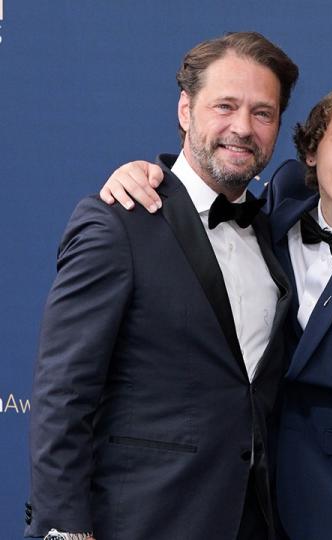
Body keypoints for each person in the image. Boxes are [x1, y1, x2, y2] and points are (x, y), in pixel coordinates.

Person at [99, 82, 332, 539]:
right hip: (232, 504)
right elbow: (196, 200)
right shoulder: (270, 214)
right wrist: (137, 174)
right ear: (312, 151)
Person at [27, 32, 299, 540]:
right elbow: (64, 394)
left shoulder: (272, 229)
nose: (242, 128)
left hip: (254, 522)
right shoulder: (119, 222)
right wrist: (63, 530)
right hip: (143, 520)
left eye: (262, 113)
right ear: (185, 109)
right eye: (225, 106)